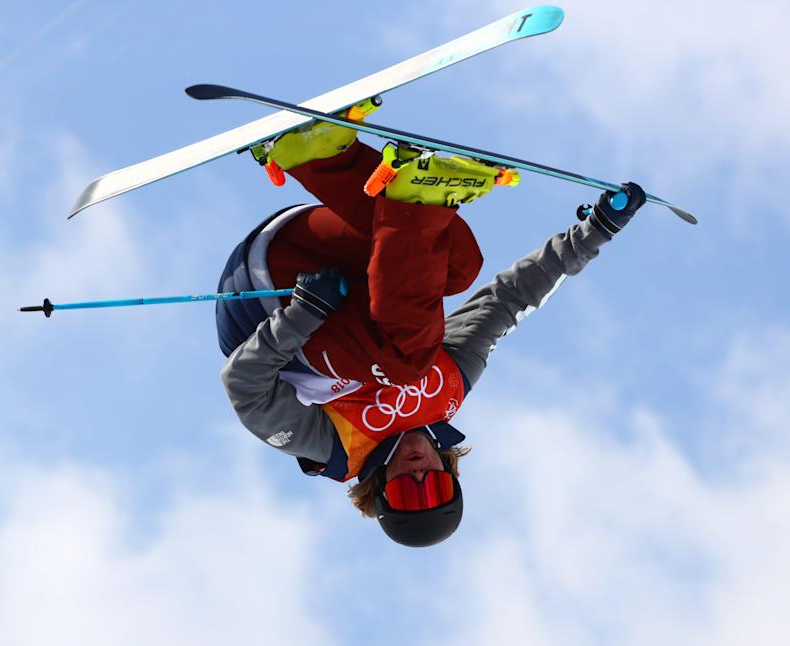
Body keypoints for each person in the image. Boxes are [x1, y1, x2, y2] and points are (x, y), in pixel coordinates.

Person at [216, 106, 646, 547]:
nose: (419, 475)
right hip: (314, 244)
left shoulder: (333, 448)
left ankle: (414, 197)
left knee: (406, 362)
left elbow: (244, 386)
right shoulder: (449, 387)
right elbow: (511, 299)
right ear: (450, 474)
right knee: (459, 266)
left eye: (407, 491)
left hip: (266, 293)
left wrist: (302, 313)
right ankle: (314, 154)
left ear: (380, 490)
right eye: (435, 487)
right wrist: (595, 231)